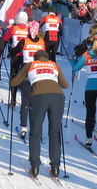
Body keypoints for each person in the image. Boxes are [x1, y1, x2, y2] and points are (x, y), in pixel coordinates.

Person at [10, 50, 69, 178]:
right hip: (58, 97)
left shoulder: (30, 64)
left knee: (35, 132)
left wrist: (15, 76)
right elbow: (65, 85)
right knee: (54, 132)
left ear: (36, 58)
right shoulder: (53, 64)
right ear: (47, 58)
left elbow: (14, 83)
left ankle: (35, 166)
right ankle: (55, 167)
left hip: (38, 97)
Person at [9, 21, 46, 138]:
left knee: (25, 102)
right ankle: (37, 128)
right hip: (39, 73)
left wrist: (12, 52)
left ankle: (23, 128)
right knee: (37, 102)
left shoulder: (24, 41)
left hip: (26, 72)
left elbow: (13, 52)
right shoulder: (42, 42)